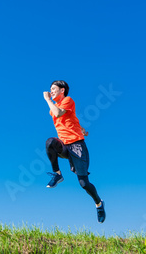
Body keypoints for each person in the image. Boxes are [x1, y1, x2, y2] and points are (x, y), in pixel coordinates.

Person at [43, 80, 106, 223]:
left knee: (84, 184)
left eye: (53, 89)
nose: (51, 91)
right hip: (64, 146)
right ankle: (57, 175)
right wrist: (81, 128)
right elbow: (69, 119)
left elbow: (59, 114)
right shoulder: (54, 107)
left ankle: (99, 203)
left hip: (77, 146)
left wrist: (47, 99)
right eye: (50, 90)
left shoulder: (68, 100)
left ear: (62, 91)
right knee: (50, 142)